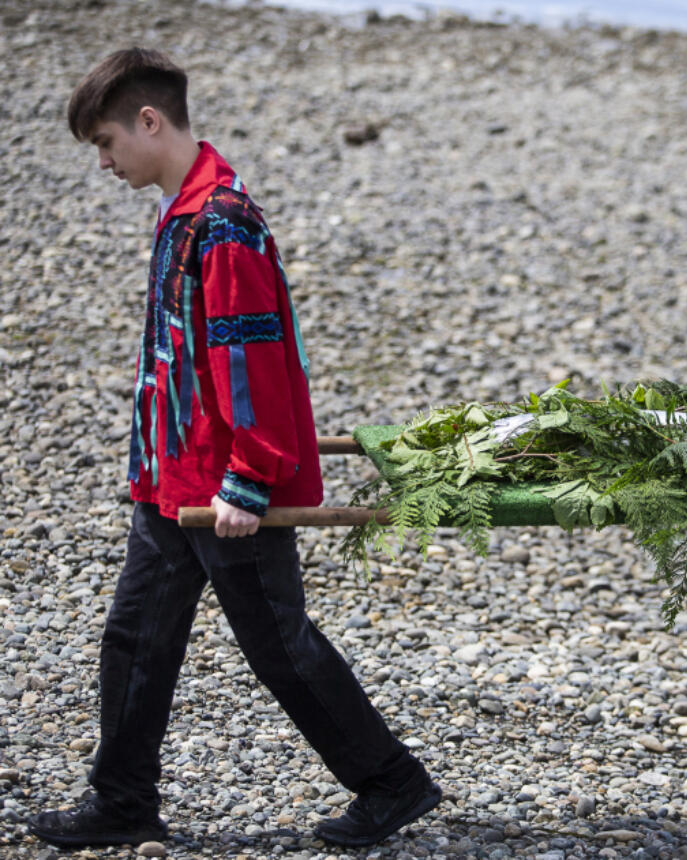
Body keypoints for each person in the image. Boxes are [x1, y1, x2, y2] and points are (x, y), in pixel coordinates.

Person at [30, 48, 441, 849]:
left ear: (150, 120)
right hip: (174, 480)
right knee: (134, 637)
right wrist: (149, 467)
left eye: (108, 143)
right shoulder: (182, 210)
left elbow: (248, 359)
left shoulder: (222, 222)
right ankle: (121, 802)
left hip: (225, 488)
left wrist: (251, 479)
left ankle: (394, 784)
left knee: (280, 646)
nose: (106, 163)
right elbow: (178, 361)